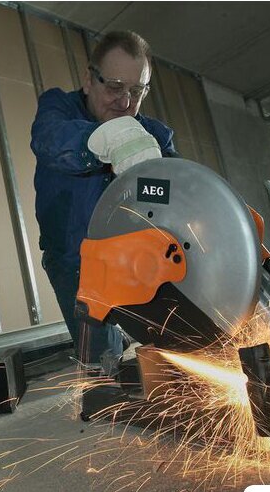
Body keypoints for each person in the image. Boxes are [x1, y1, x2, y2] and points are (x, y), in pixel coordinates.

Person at [30, 30, 178, 375]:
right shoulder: (59, 108)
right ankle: (110, 348)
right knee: (100, 366)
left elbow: (176, 201)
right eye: (114, 87)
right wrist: (99, 140)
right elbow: (50, 140)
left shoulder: (154, 135)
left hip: (138, 258)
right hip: (74, 262)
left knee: (176, 344)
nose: (125, 103)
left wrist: (156, 181)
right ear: (89, 80)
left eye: (136, 91)